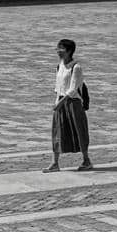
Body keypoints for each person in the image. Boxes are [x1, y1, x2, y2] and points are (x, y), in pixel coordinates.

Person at [43, 39, 92, 173]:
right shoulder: (60, 66)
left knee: (79, 131)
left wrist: (60, 102)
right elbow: (58, 87)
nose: (58, 51)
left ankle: (86, 160)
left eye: (61, 49)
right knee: (57, 132)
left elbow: (73, 89)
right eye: (57, 49)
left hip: (73, 103)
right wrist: (56, 101)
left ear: (69, 51)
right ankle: (54, 163)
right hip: (60, 102)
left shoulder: (76, 67)